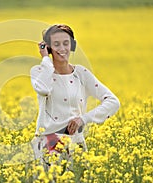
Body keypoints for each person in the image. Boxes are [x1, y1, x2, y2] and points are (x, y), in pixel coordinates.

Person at [30, 24, 120, 169]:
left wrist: (83, 119)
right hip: (48, 145)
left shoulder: (81, 74)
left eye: (66, 43)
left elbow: (113, 101)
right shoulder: (39, 72)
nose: (62, 49)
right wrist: (46, 59)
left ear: (72, 45)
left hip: (75, 144)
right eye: (56, 44)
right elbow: (44, 89)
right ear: (48, 47)